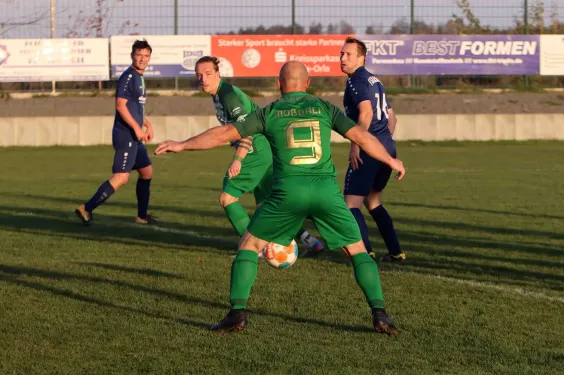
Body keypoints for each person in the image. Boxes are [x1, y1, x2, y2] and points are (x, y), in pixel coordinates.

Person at [155, 61, 406, 335]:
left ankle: (237, 314)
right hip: (325, 192)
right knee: (357, 250)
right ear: (307, 84)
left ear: (278, 84)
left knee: (249, 246)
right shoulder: (325, 108)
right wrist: (391, 160)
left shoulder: (269, 111)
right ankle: (380, 314)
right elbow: (362, 136)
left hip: (287, 193)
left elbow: (225, 134)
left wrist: (182, 145)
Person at [194, 56, 324, 255]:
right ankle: (309, 240)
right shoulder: (220, 95)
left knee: (227, 198)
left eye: (208, 74)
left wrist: (238, 159)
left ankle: (255, 250)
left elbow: (247, 129)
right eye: (199, 75)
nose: (203, 78)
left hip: (256, 150)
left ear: (218, 74)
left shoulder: (228, 95)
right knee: (268, 204)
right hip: (266, 148)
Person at [74, 40, 155, 225]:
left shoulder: (139, 77)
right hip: (126, 134)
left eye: (146, 56)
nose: (142, 59)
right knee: (121, 177)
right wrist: (136, 127)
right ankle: (86, 209)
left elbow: (135, 108)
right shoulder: (128, 76)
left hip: (135, 135)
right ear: (132, 56)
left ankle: (141, 216)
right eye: (139, 55)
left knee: (146, 172)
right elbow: (120, 105)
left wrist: (146, 124)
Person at [340, 37, 405, 263]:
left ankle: (365, 253)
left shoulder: (356, 81)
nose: (343, 58)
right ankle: (396, 252)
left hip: (369, 147)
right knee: (373, 201)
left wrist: (357, 145)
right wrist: (385, 143)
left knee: (350, 204)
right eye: (341, 54)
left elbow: (366, 114)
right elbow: (392, 117)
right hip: (386, 145)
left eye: (348, 55)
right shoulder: (375, 80)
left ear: (361, 58)